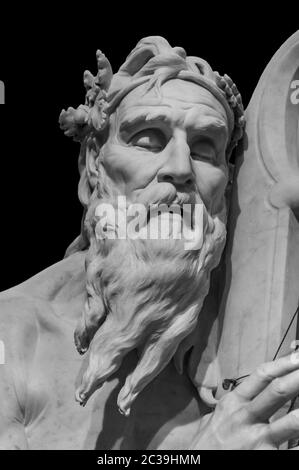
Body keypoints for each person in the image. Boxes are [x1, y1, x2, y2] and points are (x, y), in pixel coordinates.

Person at [0, 36, 298, 450]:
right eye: (148, 140)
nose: (180, 169)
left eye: (205, 150)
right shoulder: (10, 336)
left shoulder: (241, 337)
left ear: (226, 181)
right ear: (93, 162)